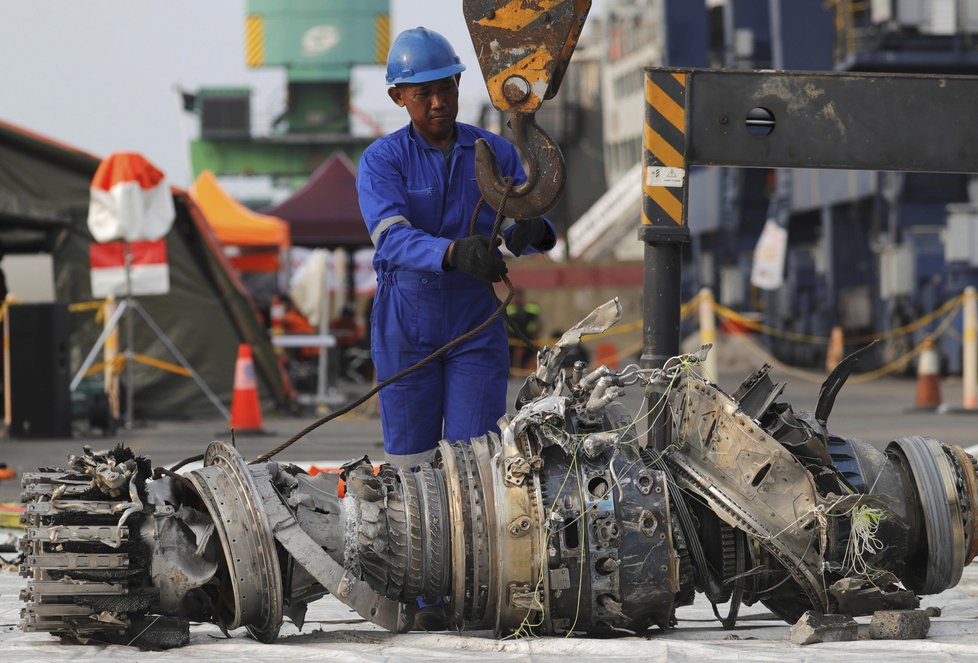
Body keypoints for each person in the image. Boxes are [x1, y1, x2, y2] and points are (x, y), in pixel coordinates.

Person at [357, 27, 556, 468]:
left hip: (474, 318)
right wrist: (451, 253)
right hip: (406, 321)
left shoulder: (495, 151)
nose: (438, 102)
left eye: (446, 88)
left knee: (477, 463)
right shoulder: (382, 161)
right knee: (411, 465)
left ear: (459, 84)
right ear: (398, 98)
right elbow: (390, 235)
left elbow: (519, 215)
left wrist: (534, 231)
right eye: (423, 93)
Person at [506, 288, 542, 370]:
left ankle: (533, 370)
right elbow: (505, 324)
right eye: (517, 296)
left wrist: (537, 334)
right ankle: (514, 373)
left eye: (520, 296)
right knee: (513, 354)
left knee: (536, 353)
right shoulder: (509, 308)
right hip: (514, 339)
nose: (519, 299)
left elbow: (539, 323)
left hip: (529, 337)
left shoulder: (532, 308)